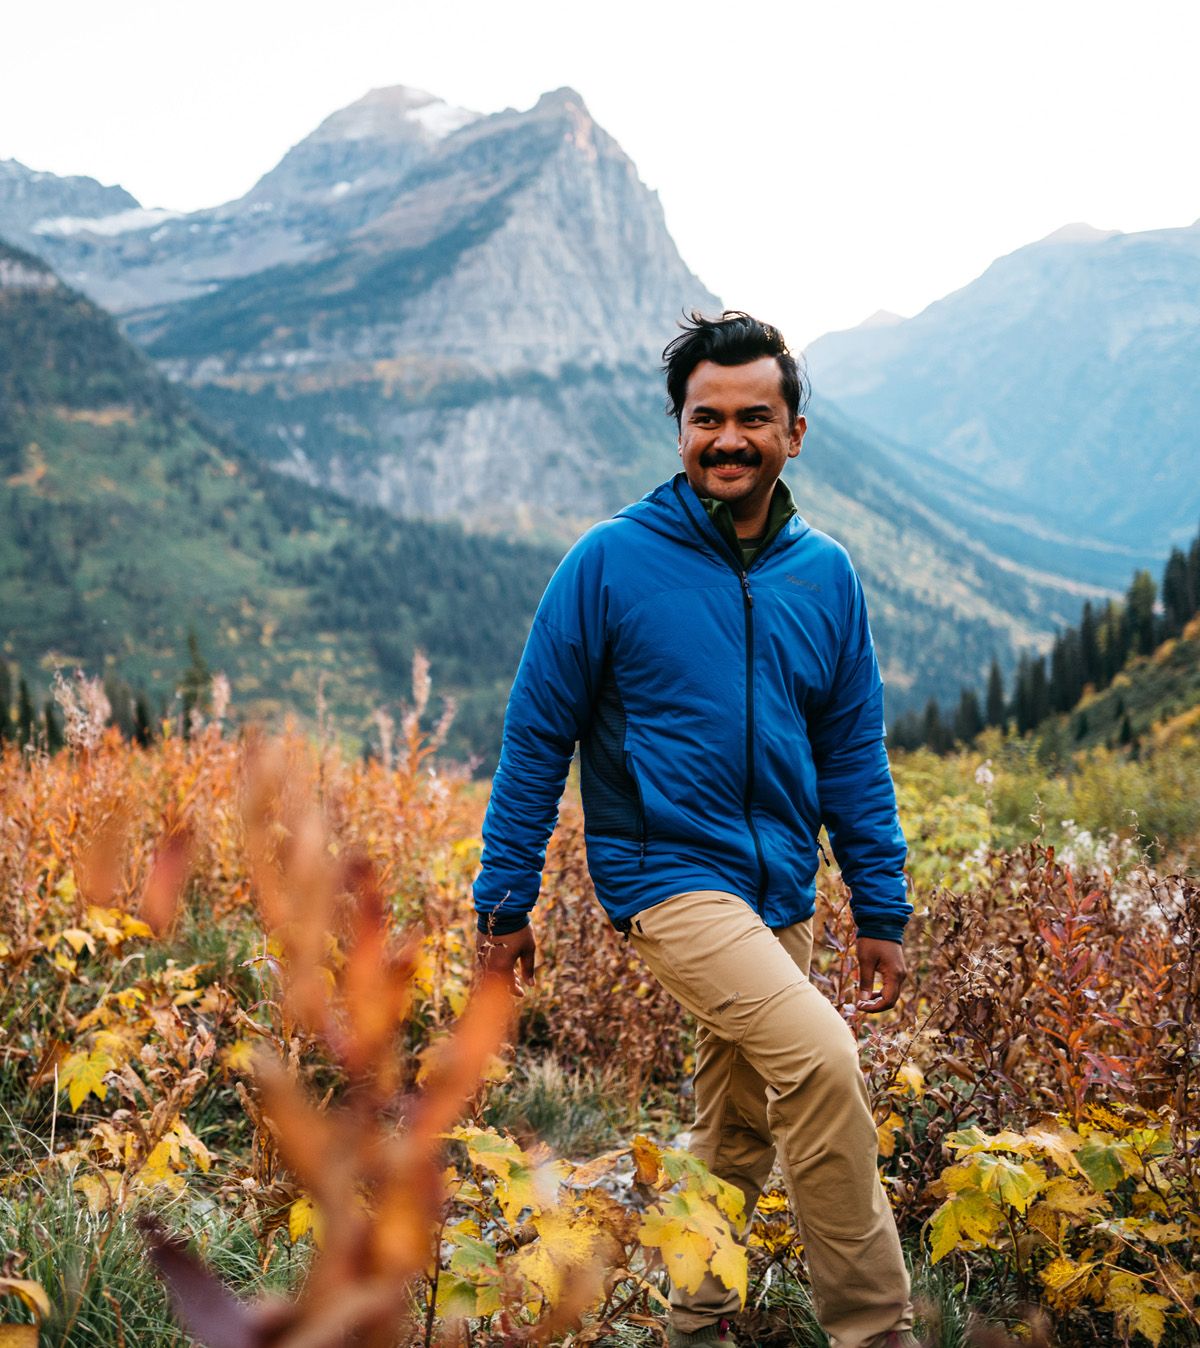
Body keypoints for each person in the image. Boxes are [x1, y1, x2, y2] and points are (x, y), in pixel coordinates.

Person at [474, 311, 916, 1348]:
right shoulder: (609, 563)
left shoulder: (827, 575)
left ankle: (696, 1323)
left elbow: (854, 753)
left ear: (793, 432)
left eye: (752, 417)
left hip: (783, 890)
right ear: (679, 430)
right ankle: (877, 1329)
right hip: (665, 877)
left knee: (736, 1123)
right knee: (820, 1060)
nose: (728, 437)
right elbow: (536, 736)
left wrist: (881, 907)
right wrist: (505, 901)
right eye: (705, 417)